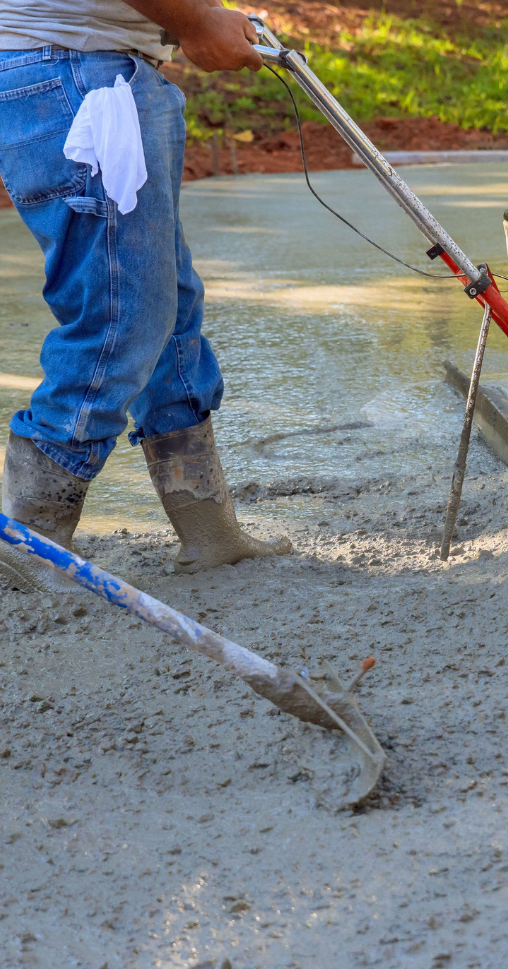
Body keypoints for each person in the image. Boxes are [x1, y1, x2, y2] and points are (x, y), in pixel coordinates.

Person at [0, 0, 290, 590]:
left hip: (94, 68)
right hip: (73, 71)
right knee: (123, 311)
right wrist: (194, 22)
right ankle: (29, 534)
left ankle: (208, 530)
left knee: (168, 304)